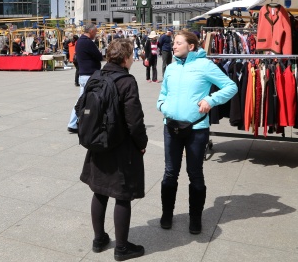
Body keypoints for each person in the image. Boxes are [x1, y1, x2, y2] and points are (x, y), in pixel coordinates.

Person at [157, 30, 237, 234]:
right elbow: (163, 92)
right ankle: (167, 213)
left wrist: (210, 100)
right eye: (173, 43)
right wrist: (162, 105)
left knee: (195, 174)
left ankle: (195, 217)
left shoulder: (205, 65)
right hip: (171, 126)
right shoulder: (171, 68)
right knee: (169, 173)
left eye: (178, 43)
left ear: (191, 46)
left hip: (196, 129)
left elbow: (230, 86)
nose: (173, 46)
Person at [80, 38, 147, 260]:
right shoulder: (127, 81)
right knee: (122, 195)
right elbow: (134, 120)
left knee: (99, 191)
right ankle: (122, 248)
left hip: (97, 144)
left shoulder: (96, 76)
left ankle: (99, 239)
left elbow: (80, 108)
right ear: (126, 58)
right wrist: (142, 143)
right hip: (121, 146)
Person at [67, 24, 103, 133]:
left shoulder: (80, 41)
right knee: (84, 100)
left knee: (83, 99)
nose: (96, 34)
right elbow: (99, 56)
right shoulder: (87, 42)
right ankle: (73, 124)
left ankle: (77, 123)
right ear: (91, 31)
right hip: (89, 75)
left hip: (85, 74)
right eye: (95, 32)